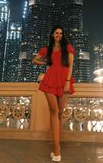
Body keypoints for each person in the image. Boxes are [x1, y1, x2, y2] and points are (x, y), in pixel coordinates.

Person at [32, 25, 75, 162]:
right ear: (52, 35)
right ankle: (57, 149)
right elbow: (34, 60)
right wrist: (46, 61)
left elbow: (70, 65)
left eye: (61, 33)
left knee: (60, 113)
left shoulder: (67, 47)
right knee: (54, 111)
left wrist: (68, 81)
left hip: (64, 79)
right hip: (50, 78)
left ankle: (56, 145)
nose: (59, 35)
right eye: (56, 33)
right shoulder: (46, 49)